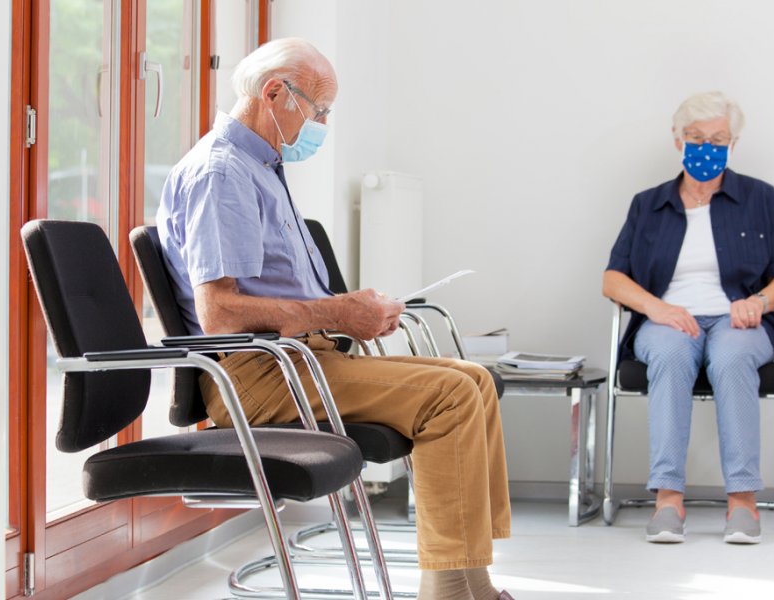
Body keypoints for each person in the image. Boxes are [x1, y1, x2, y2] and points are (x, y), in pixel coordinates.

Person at [157, 37, 513, 600]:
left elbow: (282, 296)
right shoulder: (221, 173)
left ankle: (471, 580)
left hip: (298, 361)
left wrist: (350, 315)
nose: (323, 122)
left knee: (471, 380)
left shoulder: (261, 169)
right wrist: (338, 312)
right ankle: (452, 591)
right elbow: (220, 313)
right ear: (275, 93)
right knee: (452, 394)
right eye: (319, 109)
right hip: (258, 375)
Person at [602, 91, 774, 545]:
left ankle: (743, 503)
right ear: (677, 140)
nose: (707, 149)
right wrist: (658, 308)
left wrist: (759, 302)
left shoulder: (760, 198)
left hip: (740, 321)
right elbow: (613, 278)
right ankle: (668, 500)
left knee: (729, 357)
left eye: (719, 139)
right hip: (668, 320)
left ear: (733, 144)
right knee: (668, 356)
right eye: (696, 138)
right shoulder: (647, 205)